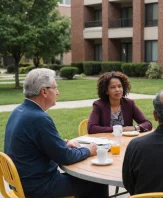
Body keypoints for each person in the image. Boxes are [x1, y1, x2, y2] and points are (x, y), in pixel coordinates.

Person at [4, 68, 108, 198]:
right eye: (55, 88)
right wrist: (88, 150)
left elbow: (36, 144)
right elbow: (65, 157)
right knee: (97, 180)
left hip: (22, 183)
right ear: (44, 92)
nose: (58, 92)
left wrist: (61, 144)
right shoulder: (38, 118)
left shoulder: (19, 111)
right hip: (39, 187)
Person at [88, 71, 152, 133]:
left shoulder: (129, 104)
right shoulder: (99, 105)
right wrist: (119, 129)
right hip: (106, 141)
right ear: (106, 91)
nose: (117, 90)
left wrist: (135, 128)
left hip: (126, 141)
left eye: (119, 86)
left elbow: (147, 124)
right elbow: (91, 128)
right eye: (113, 87)